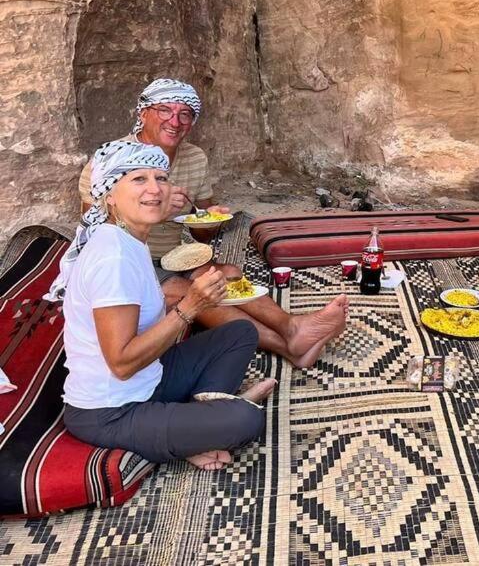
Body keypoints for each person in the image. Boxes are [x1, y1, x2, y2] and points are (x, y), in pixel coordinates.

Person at [79, 79, 347, 368]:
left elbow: (204, 230)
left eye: (185, 114)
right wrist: (158, 210)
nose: (175, 121)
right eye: (165, 110)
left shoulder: (194, 158)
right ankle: (288, 344)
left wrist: (210, 217)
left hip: (172, 256)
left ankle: (291, 328)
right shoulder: (113, 158)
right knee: (192, 293)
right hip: (129, 259)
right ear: (143, 113)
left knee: (226, 273)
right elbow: (96, 229)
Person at [50, 140, 275, 470]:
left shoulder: (130, 238)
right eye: (138, 179)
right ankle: (205, 425)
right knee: (247, 421)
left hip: (150, 378)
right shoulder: (114, 258)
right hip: (110, 411)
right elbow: (122, 363)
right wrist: (190, 306)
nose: (154, 189)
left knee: (239, 332)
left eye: (161, 178)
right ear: (109, 194)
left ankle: (197, 425)